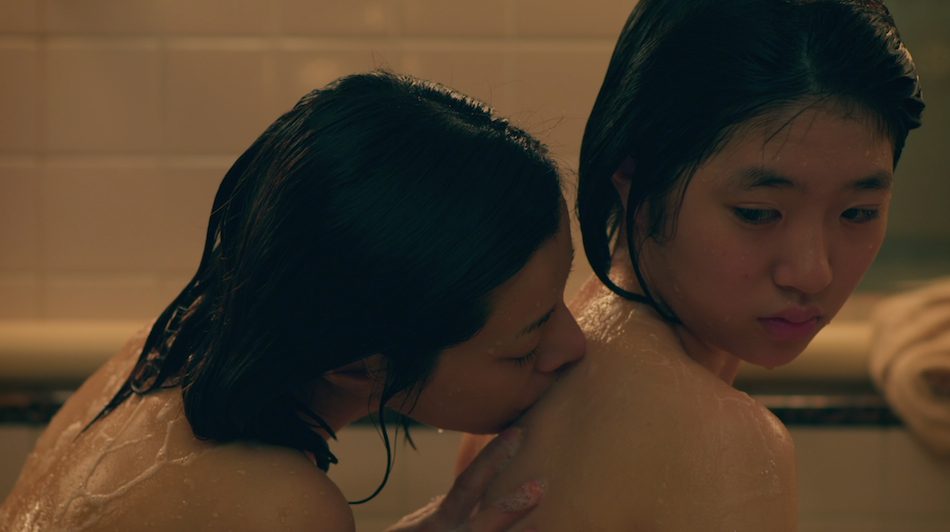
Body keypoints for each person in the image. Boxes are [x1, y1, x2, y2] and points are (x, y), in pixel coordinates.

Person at [0, 70, 586, 531]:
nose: (574, 344)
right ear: (357, 365)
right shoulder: (281, 509)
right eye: (525, 348)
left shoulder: (151, 362)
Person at [457, 0, 925, 529]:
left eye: (858, 212)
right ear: (635, 177)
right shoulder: (724, 443)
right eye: (757, 213)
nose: (813, 272)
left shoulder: (524, 386)